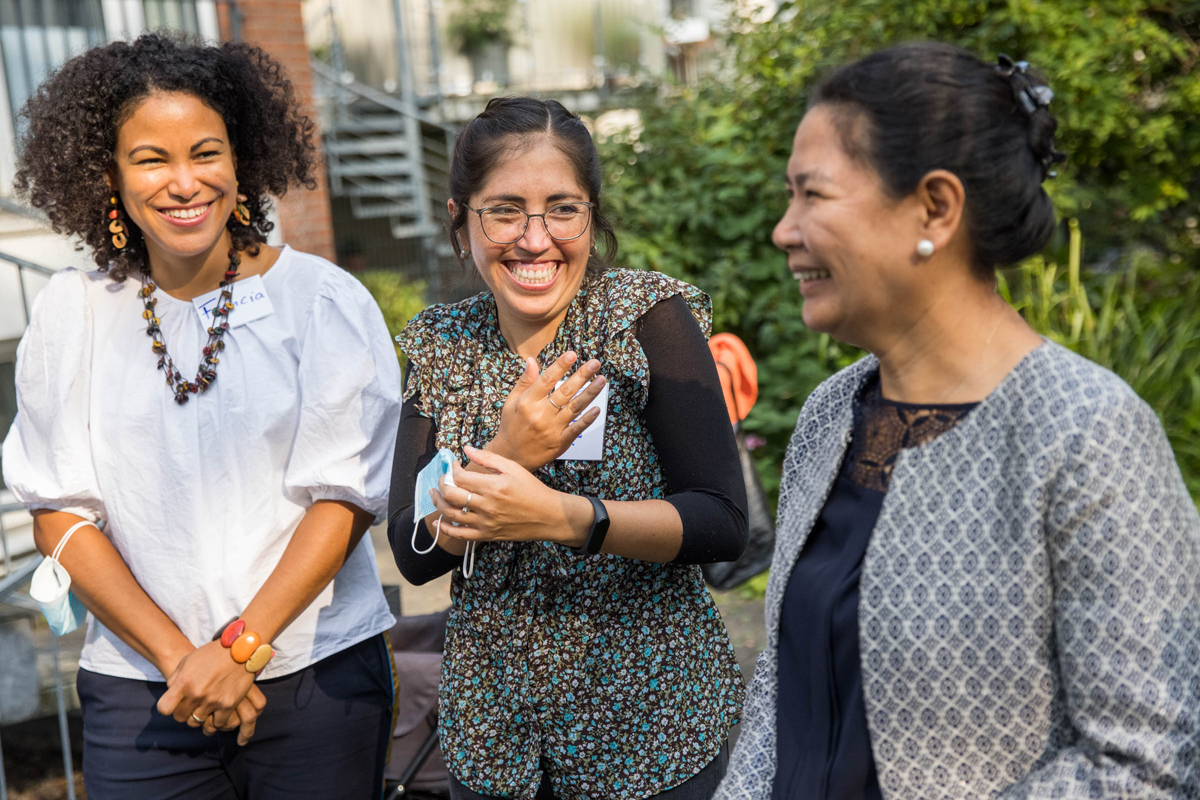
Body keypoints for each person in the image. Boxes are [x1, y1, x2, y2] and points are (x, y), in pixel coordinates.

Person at [716, 42, 1200, 800]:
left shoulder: (1086, 435)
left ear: (935, 208)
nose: (784, 229)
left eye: (812, 195)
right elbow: (777, 706)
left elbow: (1144, 764)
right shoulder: (830, 416)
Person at [2, 34, 401, 799]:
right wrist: (187, 662)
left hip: (315, 676)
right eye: (151, 158)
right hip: (142, 689)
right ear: (108, 174)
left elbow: (344, 496)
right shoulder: (71, 312)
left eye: (206, 153)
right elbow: (58, 511)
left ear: (243, 159)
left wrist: (239, 650)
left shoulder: (321, 302)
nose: (184, 182)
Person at [388, 97, 748, 800]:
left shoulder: (644, 320)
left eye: (562, 208)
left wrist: (564, 516)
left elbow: (720, 521)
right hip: (496, 741)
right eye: (504, 210)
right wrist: (508, 452)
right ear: (462, 221)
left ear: (591, 216)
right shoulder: (439, 344)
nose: (534, 238)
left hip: (654, 730)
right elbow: (412, 551)